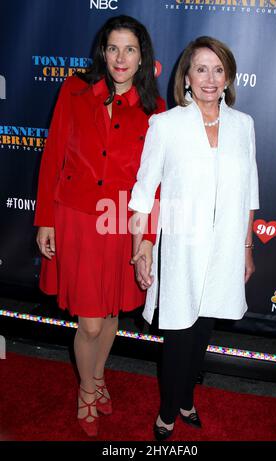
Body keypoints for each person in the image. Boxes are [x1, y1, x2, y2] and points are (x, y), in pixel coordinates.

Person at [34, 15, 165, 437]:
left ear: (142, 56)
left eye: (129, 49)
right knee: (89, 321)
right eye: (113, 48)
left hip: (121, 221)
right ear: (102, 52)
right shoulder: (74, 90)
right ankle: (87, 390)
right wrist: (45, 221)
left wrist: (145, 238)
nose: (120, 58)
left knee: (110, 313)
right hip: (75, 218)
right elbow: (53, 155)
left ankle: (98, 377)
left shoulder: (154, 109)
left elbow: (156, 183)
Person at [129, 36, 259, 441]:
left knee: (203, 330)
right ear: (186, 76)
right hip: (181, 248)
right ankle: (169, 409)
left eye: (218, 69)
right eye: (201, 69)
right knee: (179, 334)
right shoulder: (166, 125)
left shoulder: (243, 125)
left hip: (224, 249)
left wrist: (246, 248)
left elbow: (250, 189)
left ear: (228, 77)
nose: (210, 78)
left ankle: (187, 398)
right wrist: (142, 247)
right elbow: (144, 190)